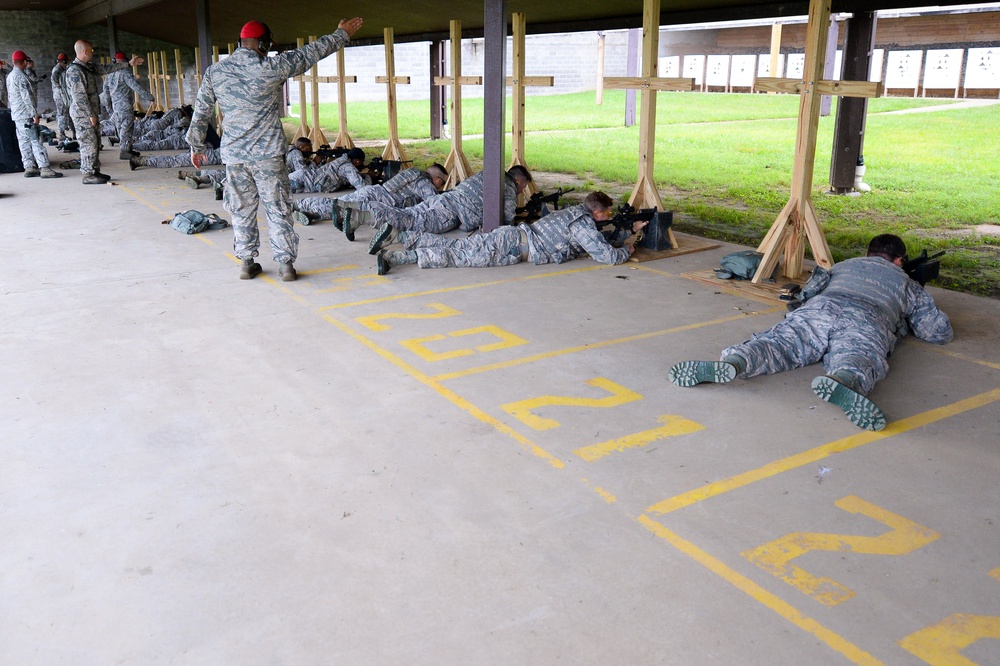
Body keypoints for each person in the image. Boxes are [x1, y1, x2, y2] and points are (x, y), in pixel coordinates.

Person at [667, 234, 953, 431]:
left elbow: (804, 296)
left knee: (779, 344)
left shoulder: (844, 266)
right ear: (899, 261)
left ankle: (734, 362)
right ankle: (844, 379)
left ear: (869, 254)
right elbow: (936, 332)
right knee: (858, 354)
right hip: (867, 316)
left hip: (821, 308)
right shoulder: (905, 282)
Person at [186, 16, 364, 281]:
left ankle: (247, 262)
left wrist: (196, 146)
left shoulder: (216, 72)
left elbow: (201, 112)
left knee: (241, 208)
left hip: (235, 156)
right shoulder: (271, 67)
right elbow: (309, 54)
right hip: (267, 155)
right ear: (262, 43)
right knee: (278, 208)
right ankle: (285, 266)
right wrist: (340, 34)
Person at [374, 190, 647, 276]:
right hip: (511, 248)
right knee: (455, 255)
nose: (607, 218)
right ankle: (397, 259)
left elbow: (594, 239)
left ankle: (403, 237)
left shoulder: (576, 212)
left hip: (511, 237)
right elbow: (606, 256)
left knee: (458, 246)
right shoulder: (583, 223)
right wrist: (627, 248)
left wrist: (625, 232)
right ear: (597, 213)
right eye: (607, 214)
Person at [366, 166, 530, 250]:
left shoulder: (489, 173)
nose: (522, 191)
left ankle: (366, 212)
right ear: (517, 181)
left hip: (444, 199)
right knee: (412, 221)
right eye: (523, 187)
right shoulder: (508, 187)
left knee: (408, 214)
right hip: (451, 212)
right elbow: (508, 219)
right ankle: (366, 214)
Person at [291, 163, 448, 239]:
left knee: (338, 202)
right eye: (442, 181)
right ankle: (306, 209)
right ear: (436, 178)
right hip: (377, 199)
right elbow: (434, 202)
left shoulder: (414, 173)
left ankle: (305, 208)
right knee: (339, 207)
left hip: (373, 192)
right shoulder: (424, 182)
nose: (442, 185)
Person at [64, 40, 143, 184]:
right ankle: (88, 174)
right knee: (88, 142)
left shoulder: (86, 67)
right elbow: (79, 97)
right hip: (83, 114)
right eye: (91, 51)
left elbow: (105, 69)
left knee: (95, 142)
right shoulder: (75, 71)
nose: (92, 53)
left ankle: (95, 170)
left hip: (89, 113)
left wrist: (128, 64)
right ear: (84, 52)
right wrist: (91, 114)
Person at [6, 50, 62, 179]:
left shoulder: (10, 76)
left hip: (17, 115)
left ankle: (29, 167)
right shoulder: (21, 77)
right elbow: (27, 98)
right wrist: (34, 114)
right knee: (35, 140)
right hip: (26, 115)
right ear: (24, 62)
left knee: (23, 142)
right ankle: (44, 168)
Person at [103, 51, 154, 160]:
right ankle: (125, 151)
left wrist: (108, 107)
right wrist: (149, 97)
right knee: (127, 128)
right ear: (125, 61)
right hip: (124, 105)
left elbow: (105, 91)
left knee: (121, 127)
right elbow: (135, 86)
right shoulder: (125, 72)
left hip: (115, 106)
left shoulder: (109, 73)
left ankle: (127, 148)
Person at [288, 146, 369, 194]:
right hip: (302, 180)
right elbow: (362, 187)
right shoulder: (348, 167)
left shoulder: (342, 161)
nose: (362, 164)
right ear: (357, 160)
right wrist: (369, 176)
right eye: (362, 161)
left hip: (304, 181)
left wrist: (362, 175)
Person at [51, 53, 74, 143]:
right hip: (60, 96)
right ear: (63, 61)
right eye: (66, 61)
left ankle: (72, 131)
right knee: (62, 114)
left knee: (68, 113)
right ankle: (61, 133)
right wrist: (61, 88)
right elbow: (54, 80)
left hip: (64, 95)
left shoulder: (62, 69)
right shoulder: (57, 70)